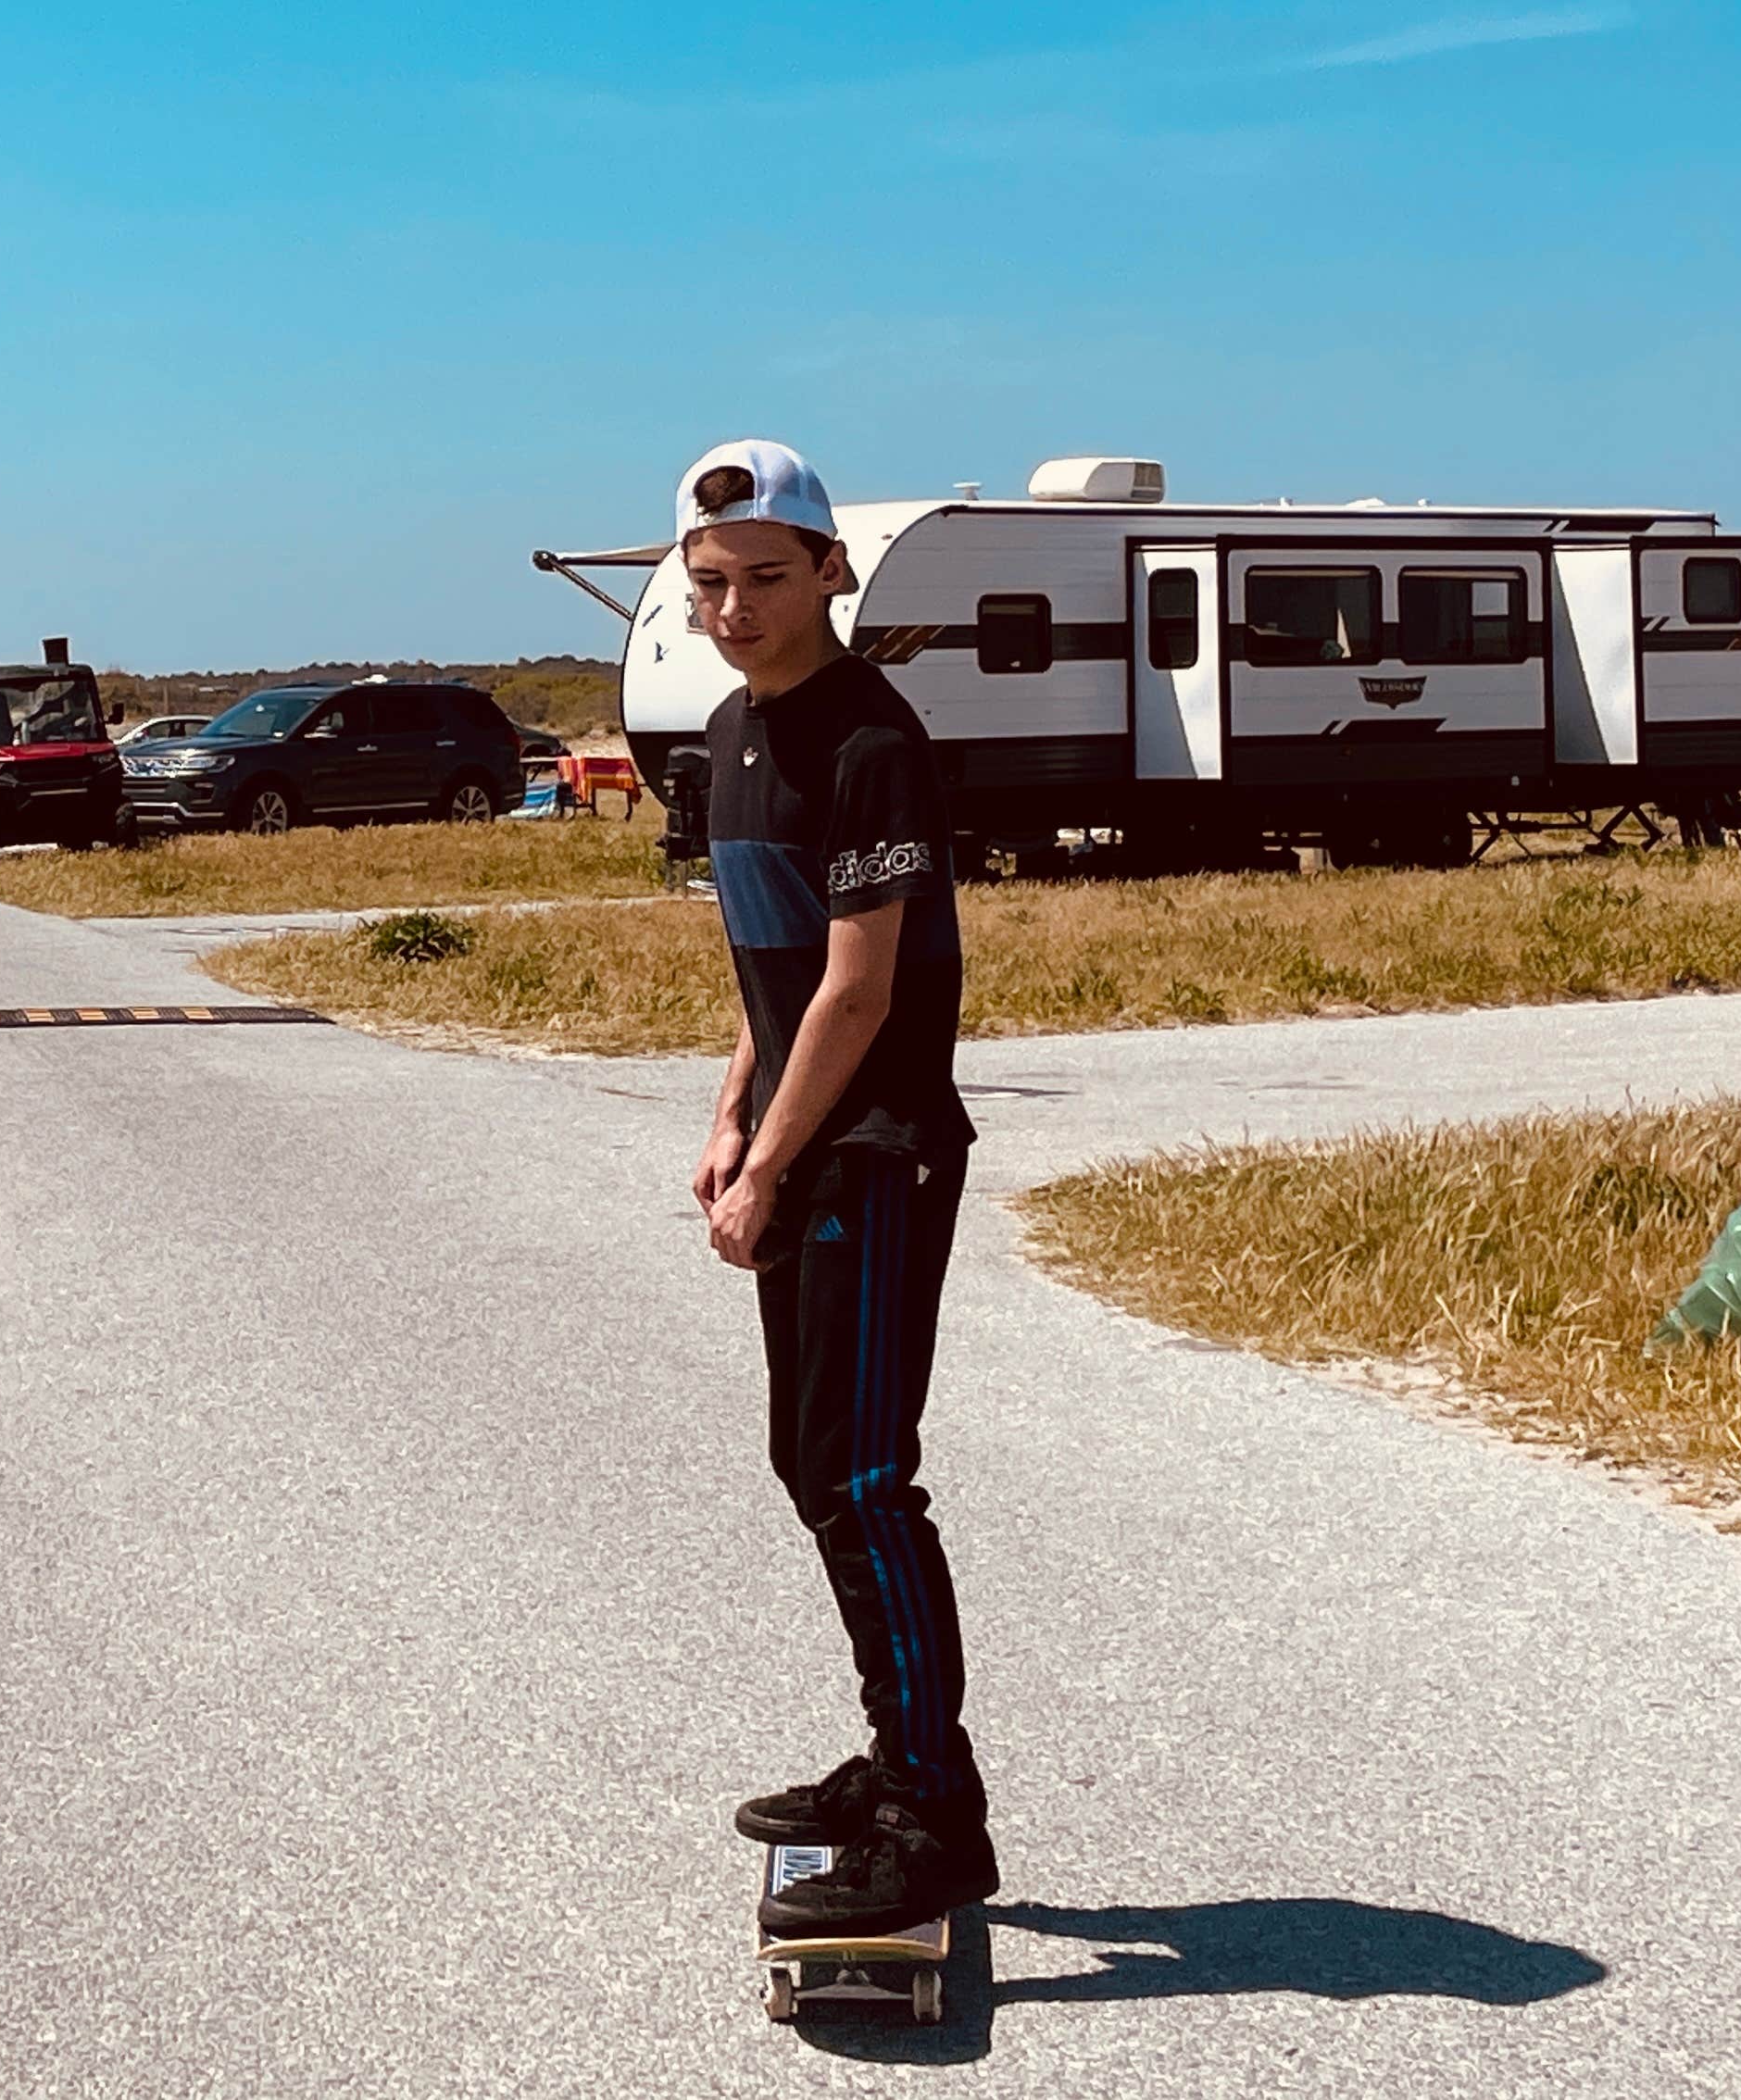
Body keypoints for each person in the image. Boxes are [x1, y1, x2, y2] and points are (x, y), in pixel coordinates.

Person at [676, 438, 996, 1938]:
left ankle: (931, 1818)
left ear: (830, 574)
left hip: (875, 1152)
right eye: (711, 583)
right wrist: (732, 1109)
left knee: (865, 1479)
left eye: (762, 581)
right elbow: (779, 966)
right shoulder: (738, 733)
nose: (734, 608)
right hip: (804, 1139)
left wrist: (778, 1165)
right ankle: (900, 1762)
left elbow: (860, 997)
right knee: (816, 1469)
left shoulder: (872, 741)